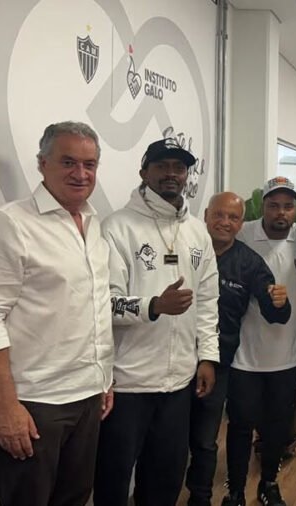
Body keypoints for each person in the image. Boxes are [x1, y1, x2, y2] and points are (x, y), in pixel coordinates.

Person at [0, 121, 113, 506]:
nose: (80, 174)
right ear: (42, 163)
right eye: (68, 162)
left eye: (90, 164)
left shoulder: (93, 224)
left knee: (74, 499)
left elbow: (91, 307)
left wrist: (103, 377)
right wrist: (6, 406)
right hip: (35, 404)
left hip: (87, 396)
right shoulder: (11, 224)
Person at [94, 138, 220, 506]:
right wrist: (154, 306)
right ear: (144, 172)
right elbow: (103, 305)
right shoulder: (117, 227)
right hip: (128, 383)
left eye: (179, 168)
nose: (171, 174)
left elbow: (208, 300)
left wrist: (207, 356)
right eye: (162, 165)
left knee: (165, 479)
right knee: (113, 480)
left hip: (178, 381)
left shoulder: (197, 231)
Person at [188, 190, 291, 506]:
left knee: (206, 440)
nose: (225, 222)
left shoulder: (249, 262)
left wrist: (280, 303)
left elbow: (275, 314)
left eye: (233, 217)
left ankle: (201, 498)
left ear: (241, 224)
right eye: (219, 215)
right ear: (206, 215)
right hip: (172, 356)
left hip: (217, 362)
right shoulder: (185, 247)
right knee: (168, 438)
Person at [222, 177, 296, 506]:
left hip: (288, 354)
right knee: (240, 425)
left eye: (287, 206)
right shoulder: (242, 234)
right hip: (244, 354)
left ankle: (269, 483)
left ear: (295, 209)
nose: (280, 212)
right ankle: (235, 490)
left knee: (277, 428)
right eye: (273, 205)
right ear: (263, 207)